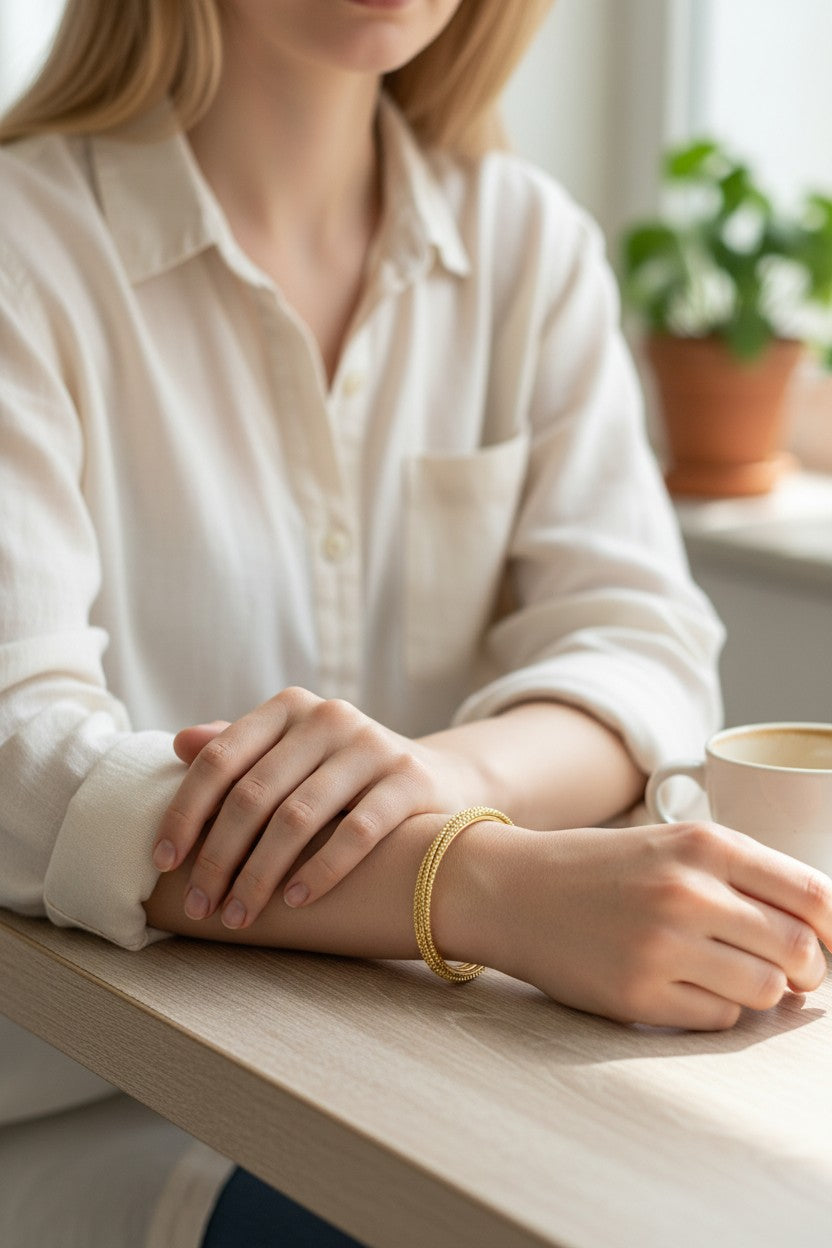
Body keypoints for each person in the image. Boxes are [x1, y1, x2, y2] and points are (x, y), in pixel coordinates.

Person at [1, 1, 830, 1244]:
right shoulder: (25, 243)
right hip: (101, 1111)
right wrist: (481, 885)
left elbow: (643, 642)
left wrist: (433, 775)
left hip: (448, 1066)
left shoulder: (527, 247)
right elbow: (18, 757)